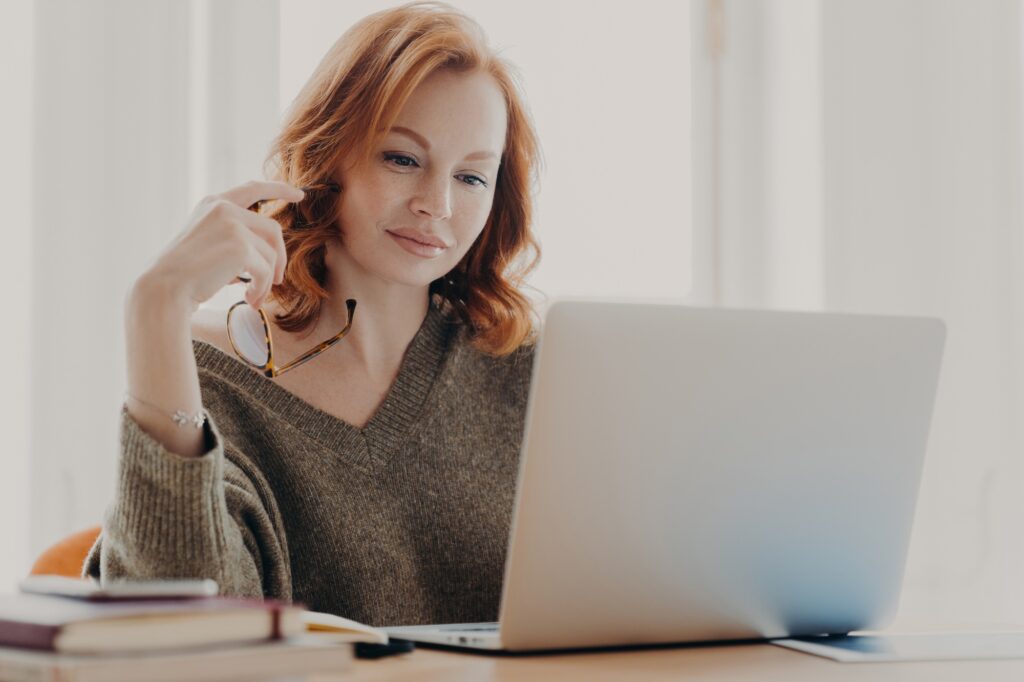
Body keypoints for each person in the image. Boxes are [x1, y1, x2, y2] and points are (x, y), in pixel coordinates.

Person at [85, 0, 542, 627]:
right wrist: (155, 309)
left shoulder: (528, 371)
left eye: (472, 178)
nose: (437, 204)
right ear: (329, 154)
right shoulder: (203, 376)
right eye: (402, 159)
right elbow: (186, 639)